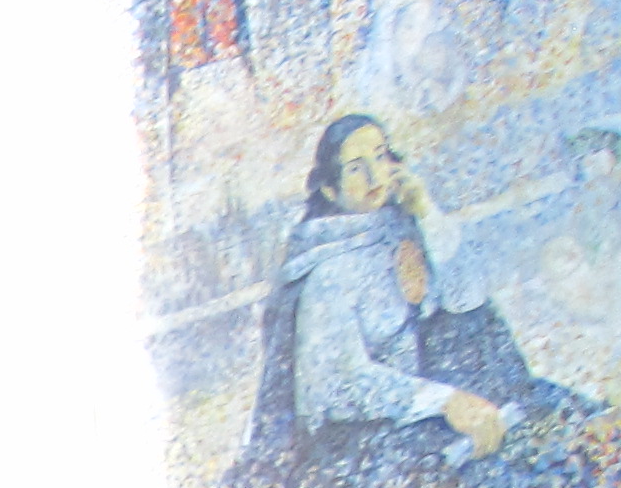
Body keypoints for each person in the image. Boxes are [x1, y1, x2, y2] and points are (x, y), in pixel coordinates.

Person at [251, 114, 588, 466]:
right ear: (330, 190)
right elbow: (339, 383)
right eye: (355, 168)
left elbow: (468, 301)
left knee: (565, 424)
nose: (374, 176)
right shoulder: (330, 271)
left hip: (444, 407)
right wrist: (445, 401)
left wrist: (426, 212)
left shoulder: (406, 230)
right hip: (376, 437)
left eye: (380, 157)